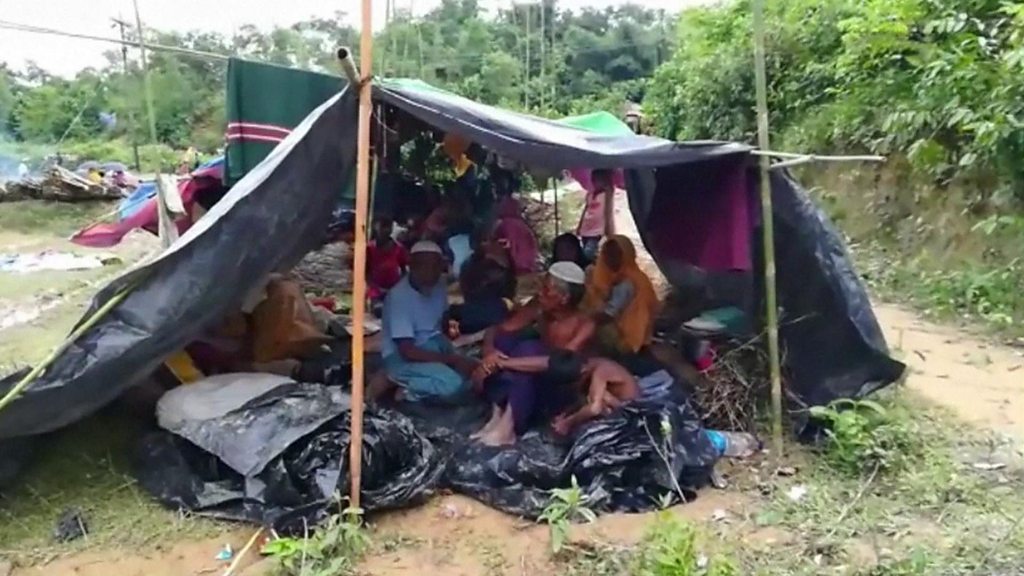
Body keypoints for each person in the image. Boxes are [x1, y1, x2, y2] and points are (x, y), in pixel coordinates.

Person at [471, 261, 595, 446]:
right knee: (505, 343)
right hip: (532, 382)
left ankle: (507, 429)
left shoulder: (584, 325)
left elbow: (561, 365)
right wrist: (489, 354)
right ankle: (497, 416)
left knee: (528, 349)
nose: (539, 293)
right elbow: (496, 330)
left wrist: (502, 363)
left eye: (546, 289)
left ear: (564, 297)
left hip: (560, 394)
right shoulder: (539, 308)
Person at [377, 241, 479, 403]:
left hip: (432, 343)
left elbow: (443, 318)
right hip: (401, 357)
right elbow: (407, 351)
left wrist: (451, 330)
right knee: (453, 383)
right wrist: (453, 360)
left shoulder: (438, 285)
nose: (430, 272)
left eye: (435, 267)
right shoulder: (399, 297)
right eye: (424, 266)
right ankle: (405, 389)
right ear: (412, 266)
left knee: (472, 371)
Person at [583, 235, 660, 355]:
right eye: (608, 253)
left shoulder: (628, 282)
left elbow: (609, 314)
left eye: (617, 254)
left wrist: (584, 320)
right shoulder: (615, 276)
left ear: (627, 255)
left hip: (628, 335)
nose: (611, 258)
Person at [450, 226, 516, 334]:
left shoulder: (499, 260)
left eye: (493, 240)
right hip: (484, 314)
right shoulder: (474, 264)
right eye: (485, 240)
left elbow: (510, 289)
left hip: (486, 311)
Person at [576, 169, 616, 262]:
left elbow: (608, 212)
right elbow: (585, 209)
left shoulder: (607, 194)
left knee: (588, 253)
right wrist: (579, 225)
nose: (595, 182)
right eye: (593, 179)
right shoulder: (590, 194)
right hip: (586, 228)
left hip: (597, 230)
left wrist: (609, 229)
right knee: (587, 251)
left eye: (598, 179)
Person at [367, 215, 409, 301]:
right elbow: (365, 271)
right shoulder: (369, 248)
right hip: (375, 290)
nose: (385, 230)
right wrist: (372, 286)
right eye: (382, 226)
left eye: (388, 226)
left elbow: (404, 270)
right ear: (376, 227)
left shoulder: (399, 248)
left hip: (394, 289)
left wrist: (399, 287)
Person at [493, 195, 539, 274]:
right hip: (527, 268)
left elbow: (504, 249)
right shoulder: (524, 226)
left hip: (514, 269)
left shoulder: (504, 225)